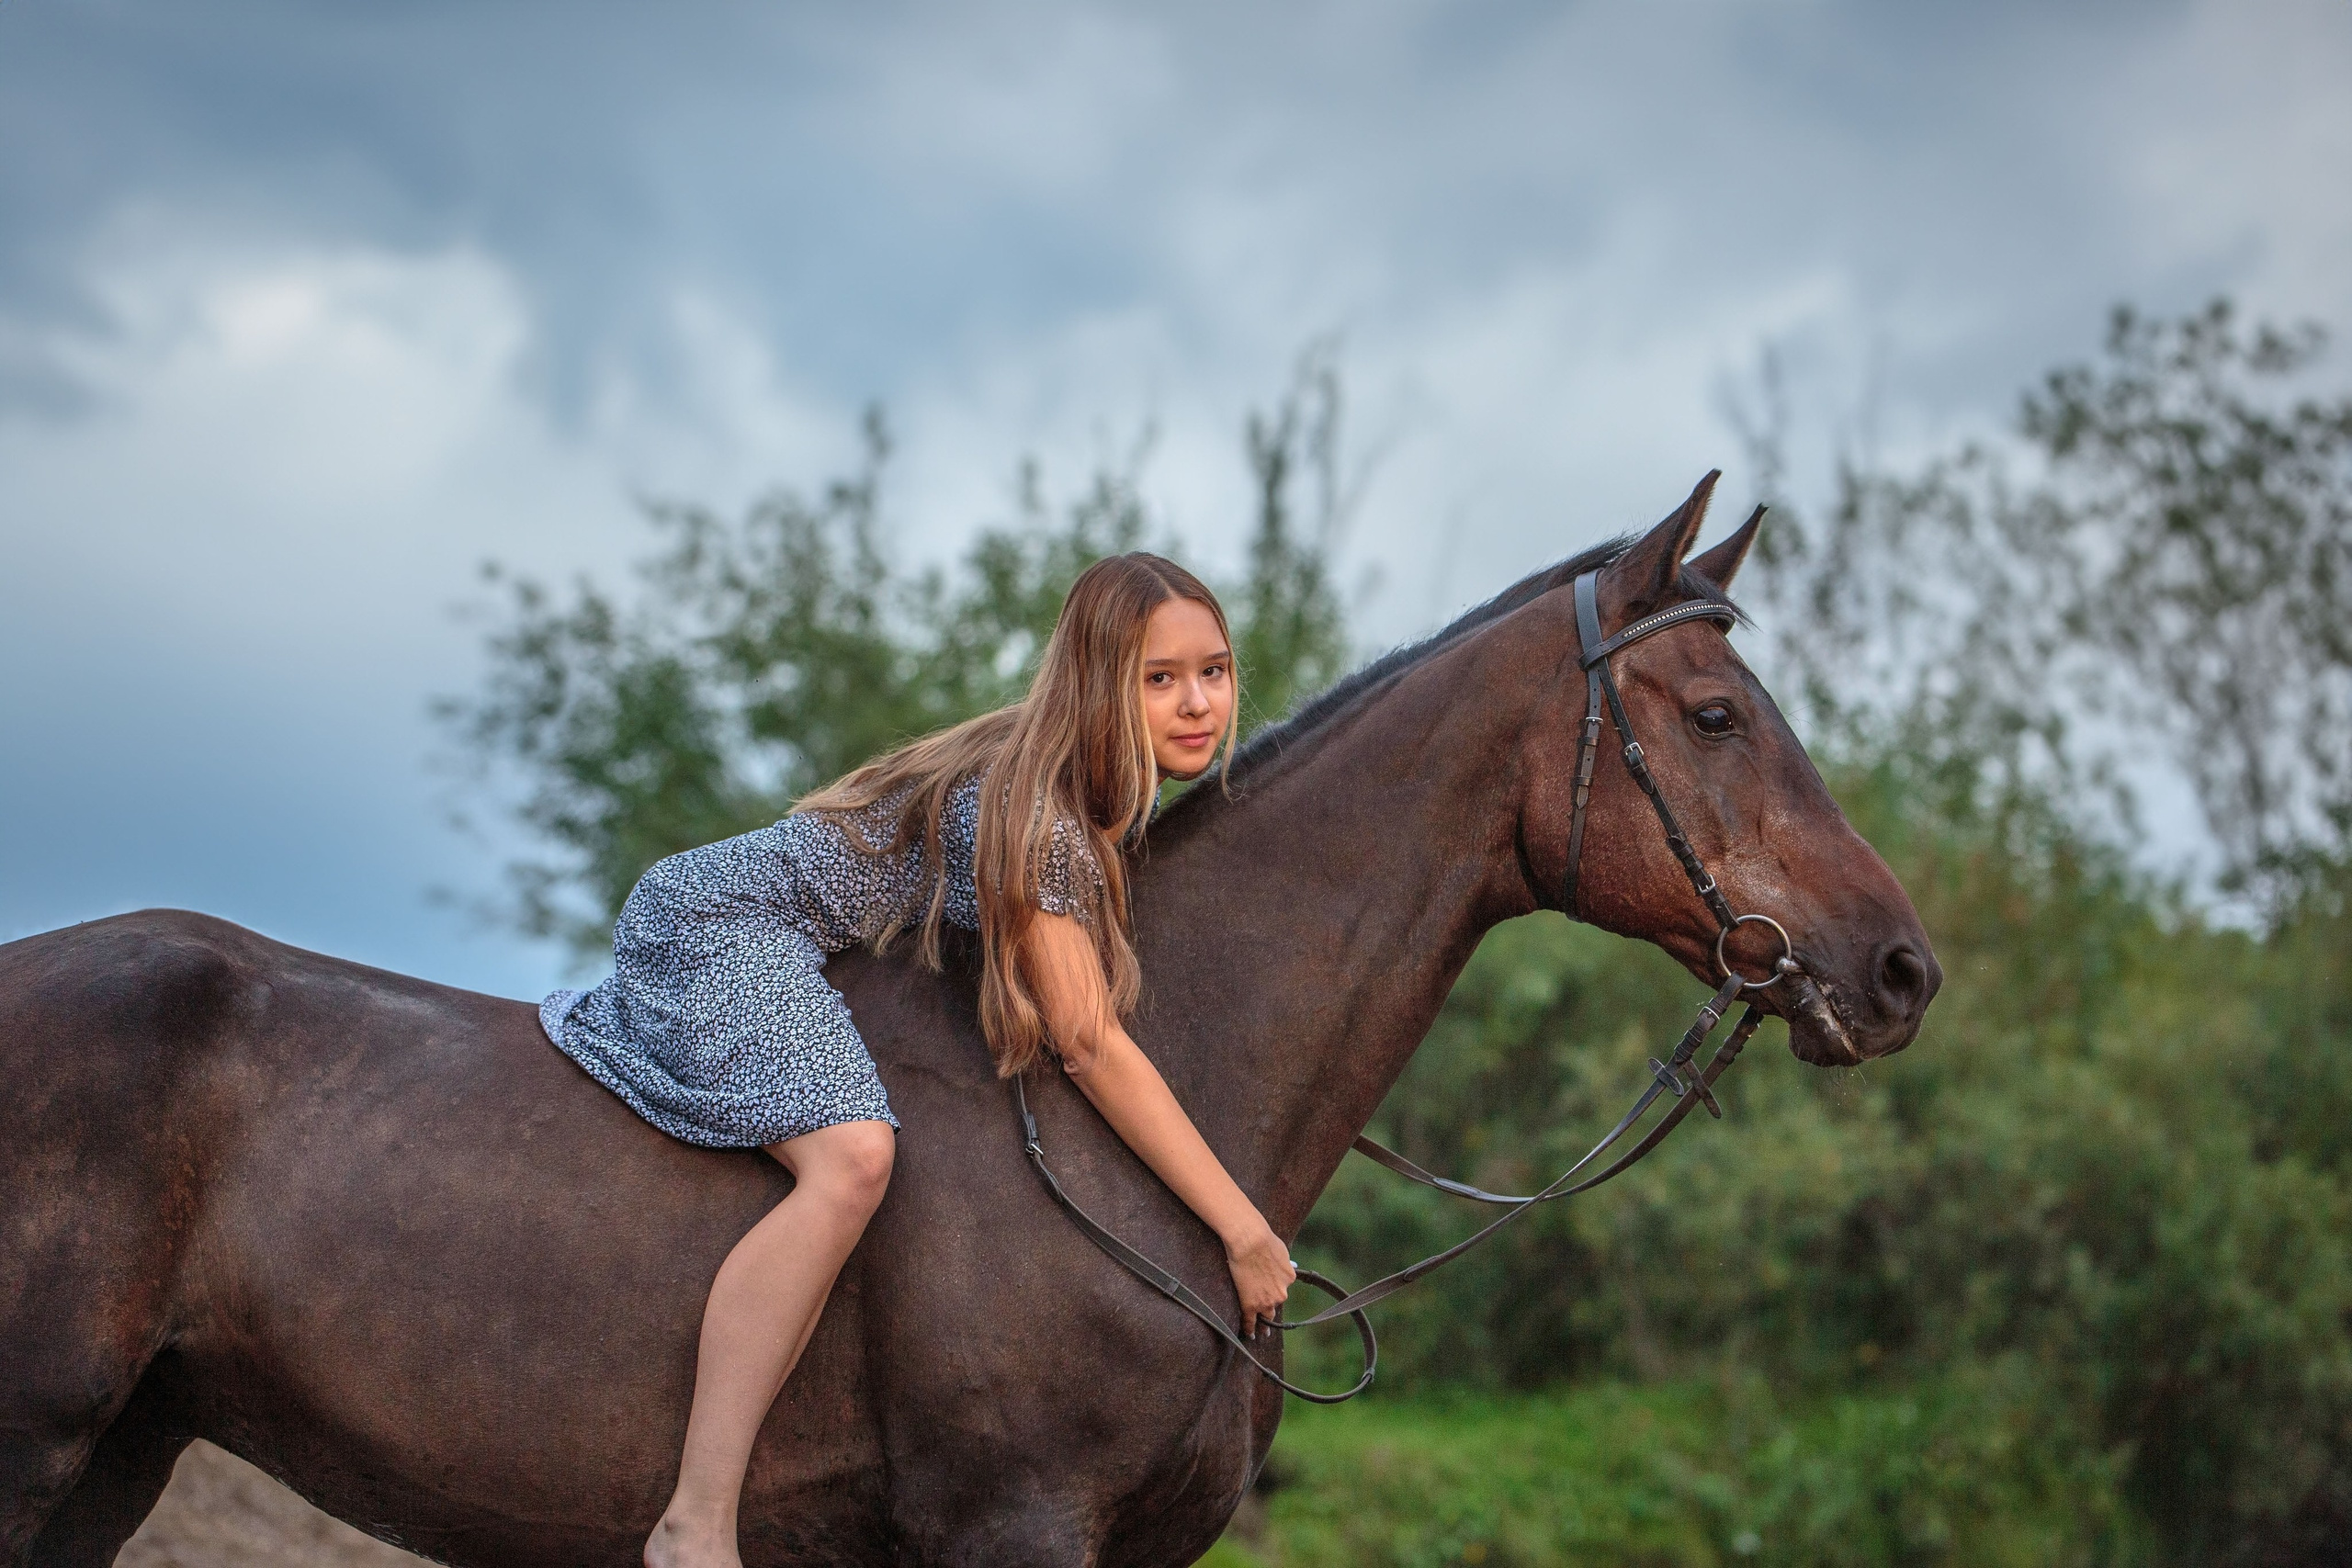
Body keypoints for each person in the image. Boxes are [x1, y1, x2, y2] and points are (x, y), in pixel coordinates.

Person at [537, 552, 1299, 1568]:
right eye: (1159, 678)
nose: (1198, 703)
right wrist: (1243, 1229)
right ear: (1098, 682)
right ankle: (695, 1523)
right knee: (854, 1156)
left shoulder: (1104, 793)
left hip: (792, 936)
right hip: (724, 922)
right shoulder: (1038, 815)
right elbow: (1084, 1041)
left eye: (1214, 671)